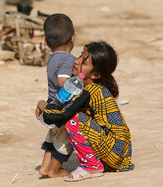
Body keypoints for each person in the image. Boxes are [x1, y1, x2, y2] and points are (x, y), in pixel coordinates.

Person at [37, 41, 134, 181]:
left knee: (72, 118)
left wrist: (42, 104)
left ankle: (91, 166)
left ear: (95, 74)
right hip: (114, 150)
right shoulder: (84, 87)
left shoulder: (89, 91)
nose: (76, 61)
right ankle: (49, 168)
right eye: (80, 56)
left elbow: (61, 115)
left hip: (115, 151)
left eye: (84, 61)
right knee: (68, 117)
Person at [35, 13, 76, 178]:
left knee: (52, 137)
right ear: (73, 38)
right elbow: (62, 82)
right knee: (65, 140)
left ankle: (45, 167)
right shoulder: (67, 58)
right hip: (62, 109)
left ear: (46, 42)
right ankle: (55, 170)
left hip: (51, 106)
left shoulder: (52, 58)